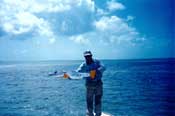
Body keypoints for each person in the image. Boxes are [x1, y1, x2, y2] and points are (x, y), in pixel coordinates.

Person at [76, 50, 106, 116]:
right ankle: (90, 114)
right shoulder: (83, 65)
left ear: (91, 56)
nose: (88, 58)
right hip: (89, 84)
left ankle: (98, 114)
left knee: (98, 100)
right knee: (89, 101)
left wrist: (96, 71)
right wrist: (69, 75)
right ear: (84, 57)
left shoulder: (97, 61)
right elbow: (77, 72)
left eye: (89, 56)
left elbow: (104, 67)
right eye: (86, 57)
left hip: (98, 83)